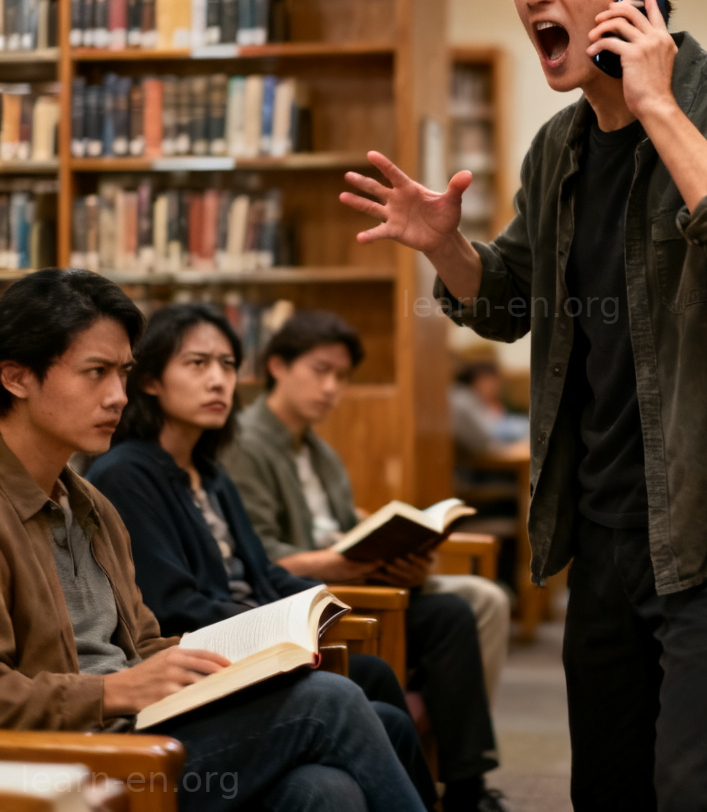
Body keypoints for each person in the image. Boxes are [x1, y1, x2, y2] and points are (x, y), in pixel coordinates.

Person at [338, 0, 707, 812]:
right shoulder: (557, 151)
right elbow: (509, 303)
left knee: (702, 793)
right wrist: (446, 246)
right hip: (605, 532)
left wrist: (657, 105)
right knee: (610, 792)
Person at [0, 268, 426, 812]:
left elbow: (143, 645)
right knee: (330, 702)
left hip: (139, 726)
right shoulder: (87, 489)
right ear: (16, 377)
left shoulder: (89, 505)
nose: (117, 396)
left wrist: (241, 659)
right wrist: (113, 692)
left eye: (123, 373)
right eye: (95, 373)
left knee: (325, 789)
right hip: (69, 757)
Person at [222, 309, 508, 812]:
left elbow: (347, 521)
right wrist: (340, 561)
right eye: (320, 370)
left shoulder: (318, 449)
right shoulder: (246, 445)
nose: (331, 387)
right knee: (456, 612)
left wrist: (405, 554)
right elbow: (260, 552)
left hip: (353, 580)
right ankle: (465, 783)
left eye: (342, 376)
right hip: (314, 595)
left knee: (477, 601)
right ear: (277, 366)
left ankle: (463, 774)